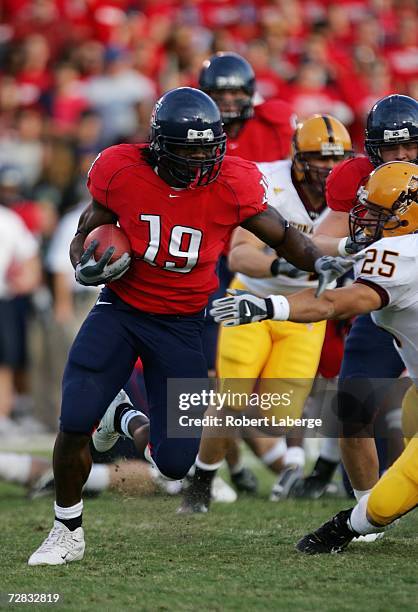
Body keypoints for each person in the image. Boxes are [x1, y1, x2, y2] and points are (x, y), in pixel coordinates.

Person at [27, 86, 351, 566]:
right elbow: (84, 234)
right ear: (159, 145)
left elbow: (282, 235)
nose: (200, 159)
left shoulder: (234, 183)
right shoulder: (121, 169)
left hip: (182, 326)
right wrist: (83, 264)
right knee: (73, 422)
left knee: (174, 464)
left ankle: (123, 417)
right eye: (188, 149)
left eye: (207, 148)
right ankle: (66, 530)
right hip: (121, 310)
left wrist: (320, 262)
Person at [210, 160, 418, 554]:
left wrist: (268, 307)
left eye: (375, 214)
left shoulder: (401, 254)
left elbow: (337, 303)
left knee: (386, 504)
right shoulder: (398, 246)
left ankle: (347, 524)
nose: (362, 221)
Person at [181, 114, 354, 511]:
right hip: (252, 303)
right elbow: (239, 254)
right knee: (231, 397)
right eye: (318, 158)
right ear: (296, 157)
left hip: (306, 310)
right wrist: (281, 265)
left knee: (278, 415)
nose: (329, 168)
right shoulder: (267, 181)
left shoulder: (351, 192)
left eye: (336, 159)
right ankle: (201, 482)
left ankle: (282, 464)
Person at [292, 94, 418, 503]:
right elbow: (322, 237)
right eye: (391, 147)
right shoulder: (354, 177)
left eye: (410, 145)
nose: (401, 155)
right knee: (352, 410)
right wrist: (351, 243)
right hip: (380, 304)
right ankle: (367, 511)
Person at [198, 51, 297, 492]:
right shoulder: (193, 130)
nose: (229, 101)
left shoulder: (273, 123)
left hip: (261, 254)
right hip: (211, 256)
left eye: (237, 92)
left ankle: (283, 461)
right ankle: (231, 467)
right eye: (219, 93)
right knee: (215, 373)